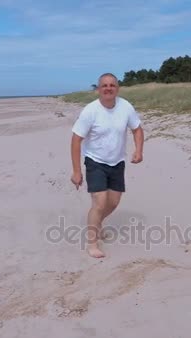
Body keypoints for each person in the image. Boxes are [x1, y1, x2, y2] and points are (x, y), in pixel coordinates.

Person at [70, 73, 144, 258]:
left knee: (113, 202)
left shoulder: (125, 106)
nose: (108, 88)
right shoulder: (90, 111)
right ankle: (92, 242)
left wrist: (139, 150)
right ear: (98, 89)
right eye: (104, 85)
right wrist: (77, 171)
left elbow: (137, 129)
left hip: (117, 161)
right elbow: (76, 140)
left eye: (112, 85)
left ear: (117, 88)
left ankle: (96, 224)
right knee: (100, 201)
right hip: (95, 161)